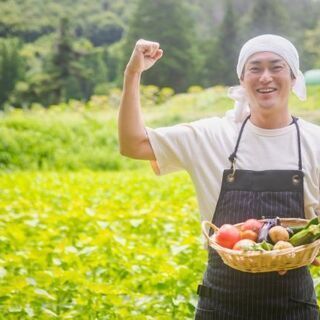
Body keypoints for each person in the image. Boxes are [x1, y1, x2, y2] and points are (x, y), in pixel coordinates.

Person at [118, 34, 320, 319]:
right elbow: (132, 143)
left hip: (294, 307)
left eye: (276, 67)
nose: (265, 77)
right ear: (241, 78)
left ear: (294, 77)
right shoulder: (211, 135)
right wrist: (133, 73)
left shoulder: (315, 142)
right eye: (255, 68)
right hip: (222, 305)